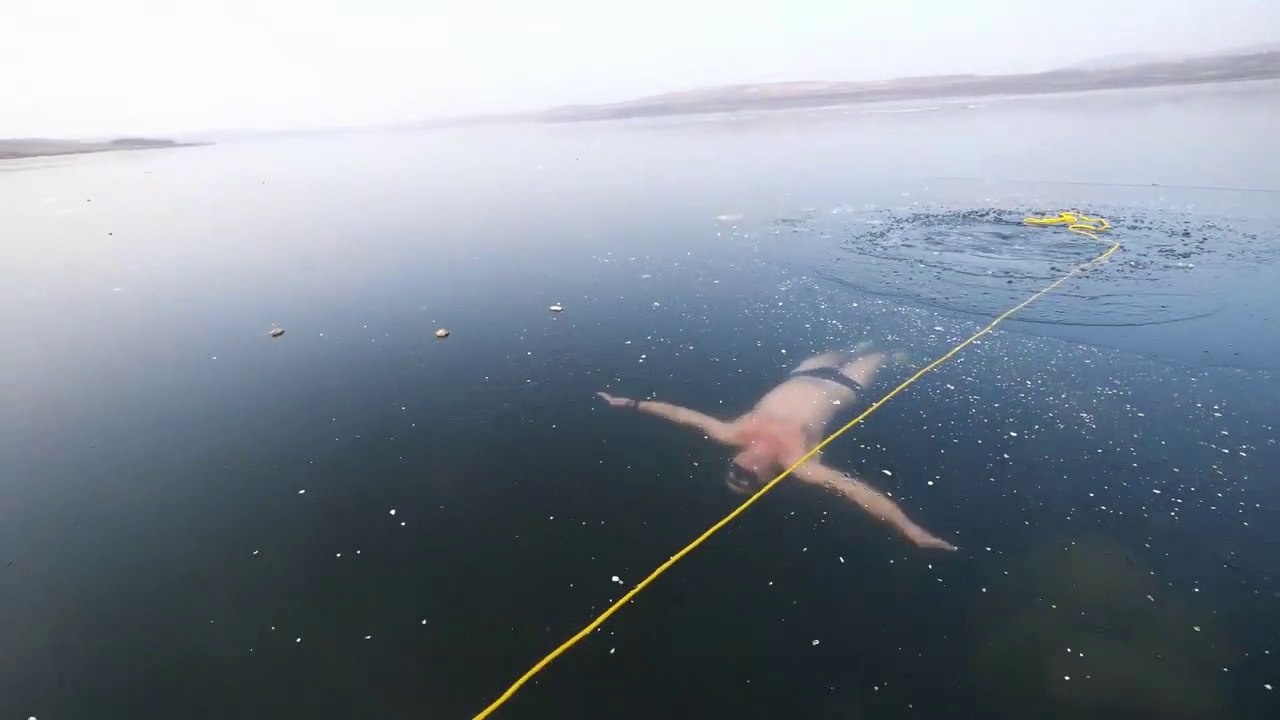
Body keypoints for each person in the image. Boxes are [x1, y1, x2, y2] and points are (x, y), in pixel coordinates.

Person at [597, 346, 957, 550]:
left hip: (804, 373)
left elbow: (680, 414)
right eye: (748, 479)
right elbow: (858, 493)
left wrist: (629, 403)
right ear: (767, 479)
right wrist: (911, 530)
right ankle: (901, 354)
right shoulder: (799, 463)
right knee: (883, 353)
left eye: (734, 471)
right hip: (847, 385)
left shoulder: (730, 434)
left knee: (845, 347)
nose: (743, 469)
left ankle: (860, 345)